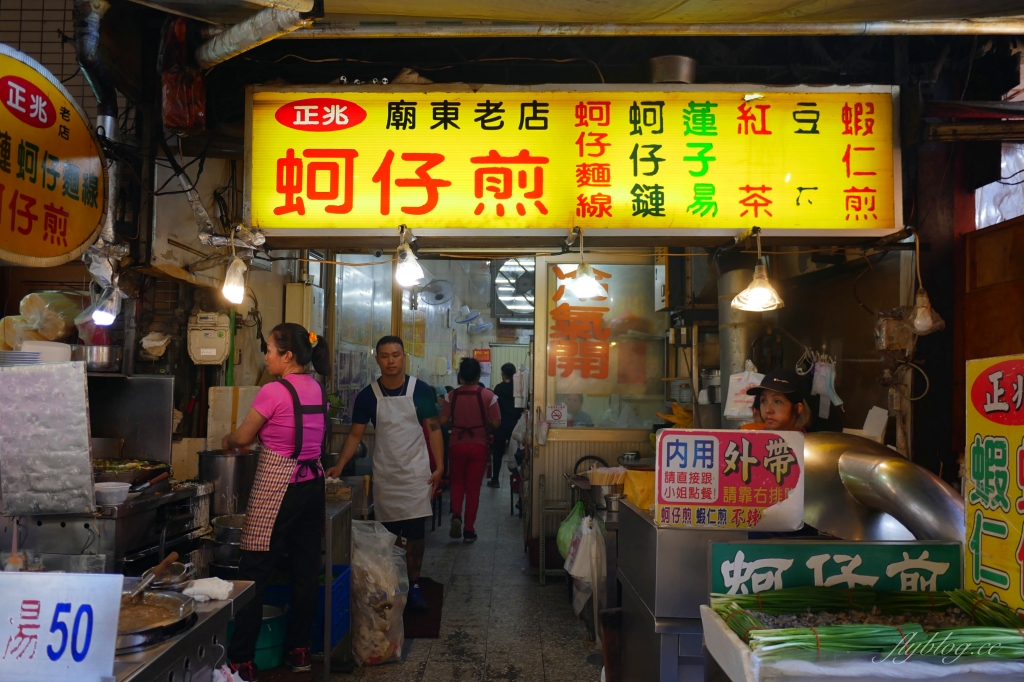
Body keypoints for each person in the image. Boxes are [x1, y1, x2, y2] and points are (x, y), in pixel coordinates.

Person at [222, 323, 331, 681]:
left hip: (277, 486)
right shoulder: (316, 387)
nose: (265, 355)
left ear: (287, 356)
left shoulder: (274, 391)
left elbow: (243, 437)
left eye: (269, 350)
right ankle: (299, 649)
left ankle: (241, 660)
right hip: (313, 486)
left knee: (254, 571)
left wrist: (228, 440)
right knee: (304, 570)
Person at [326, 336, 443, 612]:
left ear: (404, 358)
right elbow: (355, 434)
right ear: (377, 359)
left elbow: (434, 428)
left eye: (396, 355)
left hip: (416, 474)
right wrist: (340, 465)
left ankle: (413, 586)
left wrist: (440, 466)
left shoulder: (420, 389)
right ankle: (392, 584)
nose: (391, 361)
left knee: (416, 535)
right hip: (387, 474)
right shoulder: (368, 396)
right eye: (385, 356)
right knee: (388, 535)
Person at [440, 358, 500, 542]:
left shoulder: (451, 396)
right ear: (478, 375)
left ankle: (456, 514)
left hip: (456, 444)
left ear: (460, 376)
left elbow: (442, 421)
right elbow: (497, 423)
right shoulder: (488, 396)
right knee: (473, 488)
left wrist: (455, 422)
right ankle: (468, 529)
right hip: (478, 445)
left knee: (457, 482)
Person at [488, 363, 522, 488]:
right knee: (518, 452)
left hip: (501, 424)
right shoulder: (518, 387)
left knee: (498, 452)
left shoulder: (499, 387)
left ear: (503, 374)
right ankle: (520, 479)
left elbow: (495, 406)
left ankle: (495, 479)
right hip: (516, 423)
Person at [745, 369, 812, 432]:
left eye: (777, 401)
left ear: (797, 409)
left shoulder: (806, 442)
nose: (768, 410)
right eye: (764, 401)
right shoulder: (756, 440)